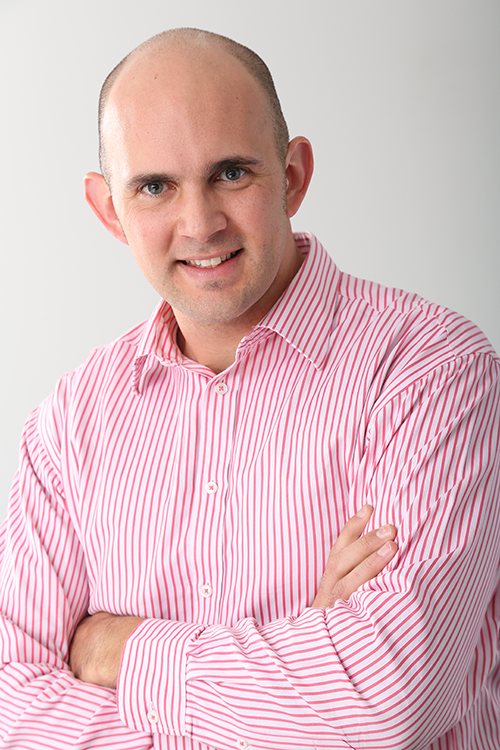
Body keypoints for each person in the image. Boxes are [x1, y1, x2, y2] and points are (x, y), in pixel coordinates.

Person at [0, 27, 499, 750]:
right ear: (110, 211)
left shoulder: (428, 371)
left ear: (293, 175)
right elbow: (10, 700)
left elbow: (387, 703)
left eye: (231, 173)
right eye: (154, 186)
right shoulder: (71, 422)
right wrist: (307, 671)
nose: (200, 225)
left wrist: (123, 649)